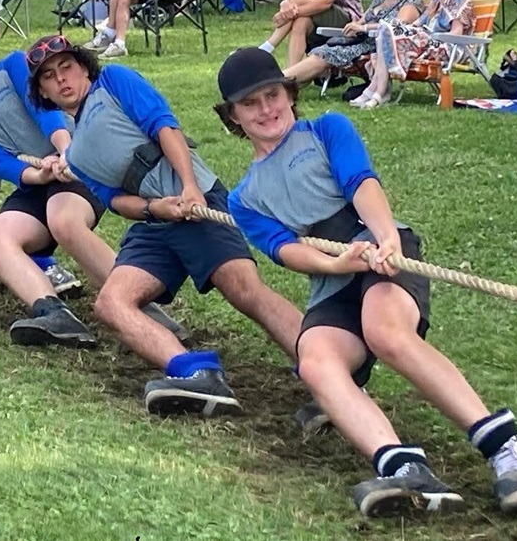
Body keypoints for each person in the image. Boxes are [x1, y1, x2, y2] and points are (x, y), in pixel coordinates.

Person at [217, 46, 517, 518]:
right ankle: (403, 469)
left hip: (382, 249)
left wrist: (384, 240)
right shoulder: (244, 198)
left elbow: (362, 184)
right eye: (250, 104)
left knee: (385, 331)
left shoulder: (326, 130)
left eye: (272, 95)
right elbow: (285, 249)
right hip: (334, 276)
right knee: (314, 361)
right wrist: (338, 266)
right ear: (233, 117)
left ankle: (508, 449)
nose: (266, 110)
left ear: (289, 94)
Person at [26, 40, 308, 418]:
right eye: (49, 76)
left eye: (67, 68)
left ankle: (324, 368)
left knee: (245, 291)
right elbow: (112, 199)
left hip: (195, 202)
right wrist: (152, 208)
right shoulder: (74, 154)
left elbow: (165, 128)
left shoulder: (114, 81)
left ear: (83, 67)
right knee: (111, 303)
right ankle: (196, 373)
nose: (61, 79)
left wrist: (189, 187)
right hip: (155, 221)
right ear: (41, 91)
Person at [0, 29, 185, 347]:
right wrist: (38, 176)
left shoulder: (14, 66)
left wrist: (66, 151)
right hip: (40, 180)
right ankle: (54, 313)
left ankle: (142, 308)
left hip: (81, 162)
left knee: (64, 222)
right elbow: (2, 165)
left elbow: (46, 113)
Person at [282, 0, 424, 91]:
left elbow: (398, 25)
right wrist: (354, 26)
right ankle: (285, 83)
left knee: (326, 54)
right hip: (360, 41)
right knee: (323, 52)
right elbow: (361, 20)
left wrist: (364, 28)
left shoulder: (411, 0)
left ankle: (280, 81)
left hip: (380, 46)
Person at [363, 0, 474, 109]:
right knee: (386, 29)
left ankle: (378, 92)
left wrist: (428, 37)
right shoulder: (435, 1)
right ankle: (378, 92)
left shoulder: (459, 0)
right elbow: (416, 25)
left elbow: (457, 33)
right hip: (427, 44)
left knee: (388, 31)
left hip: (450, 48)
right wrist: (396, 30)